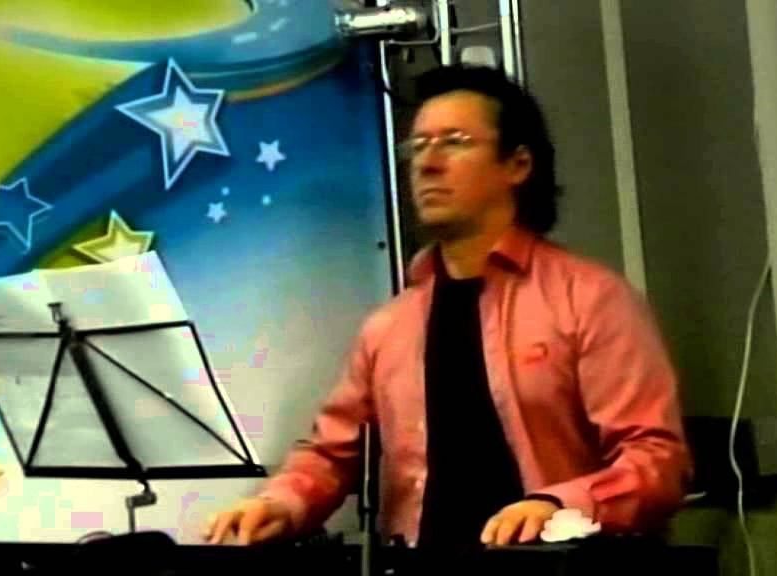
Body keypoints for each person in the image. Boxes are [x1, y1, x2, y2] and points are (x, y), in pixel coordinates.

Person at [205, 64, 691, 551]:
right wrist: (279, 504)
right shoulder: (390, 326)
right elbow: (332, 453)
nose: (427, 164)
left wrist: (558, 505)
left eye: (454, 142)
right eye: (418, 146)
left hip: (551, 568)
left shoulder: (590, 298)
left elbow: (656, 459)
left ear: (518, 165)